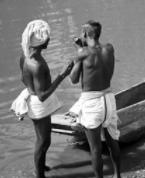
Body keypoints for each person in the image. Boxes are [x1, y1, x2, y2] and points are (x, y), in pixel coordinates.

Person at [11, 20, 73, 178]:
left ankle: (41, 166)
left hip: (32, 99)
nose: (50, 40)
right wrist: (63, 75)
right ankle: (39, 174)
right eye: (48, 38)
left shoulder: (24, 57)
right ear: (41, 42)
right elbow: (43, 95)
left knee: (41, 139)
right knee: (44, 141)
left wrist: (30, 89)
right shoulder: (37, 65)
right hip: (39, 103)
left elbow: (22, 79)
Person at [68, 20, 121, 178]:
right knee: (113, 141)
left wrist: (79, 53)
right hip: (109, 99)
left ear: (84, 34)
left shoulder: (82, 53)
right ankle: (118, 176)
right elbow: (96, 58)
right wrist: (82, 47)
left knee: (95, 149)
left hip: (92, 103)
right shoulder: (109, 48)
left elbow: (74, 79)